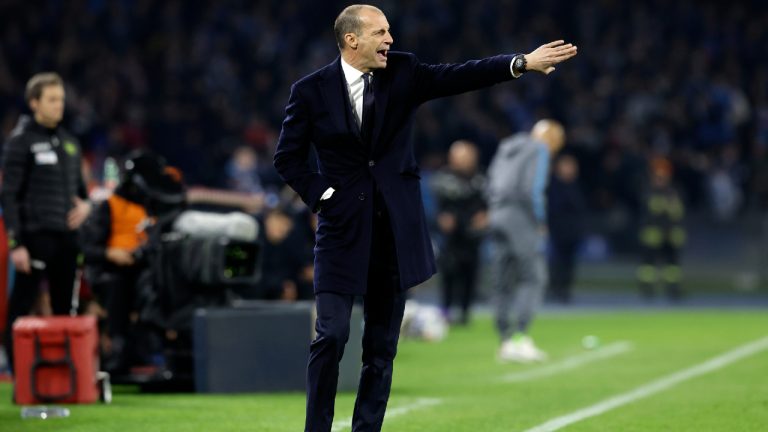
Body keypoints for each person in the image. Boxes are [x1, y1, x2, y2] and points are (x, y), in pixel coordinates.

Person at [273, 4, 577, 431]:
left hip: (395, 233)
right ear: (351, 40)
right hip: (342, 232)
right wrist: (323, 195)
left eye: (389, 31)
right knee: (331, 336)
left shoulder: (403, 72)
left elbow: (459, 75)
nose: (390, 40)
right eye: (380, 32)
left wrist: (520, 63)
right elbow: (287, 159)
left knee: (380, 350)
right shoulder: (309, 91)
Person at [1, 73, 91, 372]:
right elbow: (9, 196)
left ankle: (63, 373)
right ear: (34, 103)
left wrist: (87, 208)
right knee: (22, 305)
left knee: (66, 308)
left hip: (67, 239)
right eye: (52, 99)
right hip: (34, 238)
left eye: (61, 99)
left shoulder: (70, 144)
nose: (59, 106)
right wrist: (16, 243)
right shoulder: (20, 142)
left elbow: (82, 194)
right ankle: (18, 373)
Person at [487, 119, 565, 363]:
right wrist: (540, 221)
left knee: (502, 279)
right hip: (520, 216)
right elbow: (532, 188)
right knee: (534, 277)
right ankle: (520, 337)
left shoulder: (507, 146)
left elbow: (490, 178)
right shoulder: (538, 149)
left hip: (497, 213)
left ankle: (505, 340)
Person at [430, 140, 487, 325]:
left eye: (467, 157)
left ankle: (465, 312)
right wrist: (440, 219)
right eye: (459, 157)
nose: (463, 161)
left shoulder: (481, 179)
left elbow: (489, 203)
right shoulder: (443, 179)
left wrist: (485, 216)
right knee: (449, 274)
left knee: (470, 273)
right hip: (450, 237)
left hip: (472, 236)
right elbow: (434, 208)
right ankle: (445, 311)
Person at [637, 157, 686, 301]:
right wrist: (667, 204)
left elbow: (678, 213)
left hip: (670, 235)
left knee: (672, 266)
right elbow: (651, 210)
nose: (660, 179)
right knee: (648, 266)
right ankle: (647, 290)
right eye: (658, 176)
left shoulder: (674, 191)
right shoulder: (648, 191)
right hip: (652, 235)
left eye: (663, 176)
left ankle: (673, 289)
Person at [546, 154, 587, 304]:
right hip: (558, 230)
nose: (570, 169)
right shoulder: (554, 186)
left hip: (573, 231)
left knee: (570, 262)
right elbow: (553, 209)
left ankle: (565, 289)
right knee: (557, 260)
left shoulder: (577, 185)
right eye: (567, 166)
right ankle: (555, 288)